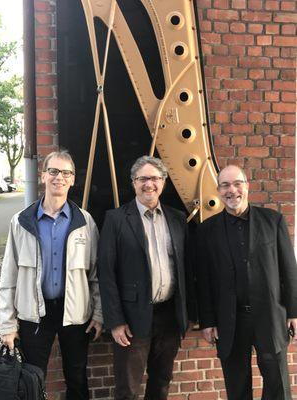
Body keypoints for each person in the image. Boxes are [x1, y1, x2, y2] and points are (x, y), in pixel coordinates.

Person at [0, 150, 103, 400]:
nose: (59, 177)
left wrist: (98, 313)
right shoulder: (21, 222)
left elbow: (96, 275)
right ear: (43, 175)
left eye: (66, 173)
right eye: (54, 171)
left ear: (73, 179)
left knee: (77, 378)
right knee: (32, 378)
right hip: (34, 314)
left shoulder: (85, 222)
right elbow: (8, 278)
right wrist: (7, 324)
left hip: (75, 314)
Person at [196, 164, 297, 400]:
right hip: (230, 320)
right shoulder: (206, 231)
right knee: (237, 387)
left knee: (277, 387)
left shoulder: (273, 221)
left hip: (270, 317)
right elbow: (204, 280)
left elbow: (289, 269)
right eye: (225, 185)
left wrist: (293, 311)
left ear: (247, 186)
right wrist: (207, 320)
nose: (232, 190)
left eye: (237, 183)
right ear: (218, 190)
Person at [98, 155, 194, 400]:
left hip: (169, 316)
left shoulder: (177, 219)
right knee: (127, 388)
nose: (148, 184)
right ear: (133, 183)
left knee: (161, 382)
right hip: (132, 318)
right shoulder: (117, 219)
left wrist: (189, 313)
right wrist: (116, 321)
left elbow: (186, 269)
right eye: (142, 178)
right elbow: (106, 273)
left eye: (154, 178)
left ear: (163, 182)